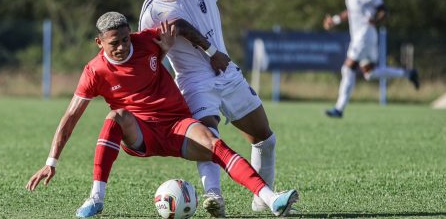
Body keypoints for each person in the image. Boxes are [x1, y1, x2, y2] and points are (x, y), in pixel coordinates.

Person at [25, 12, 298, 218]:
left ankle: (271, 199)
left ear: (131, 33)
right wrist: (52, 162)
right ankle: (96, 198)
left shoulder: (146, 42)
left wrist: (209, 51)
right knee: (116, 116)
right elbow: (70, 117)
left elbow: (179, 24)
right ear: (99, 42)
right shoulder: (94, 72)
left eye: (124, 39)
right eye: (113, 43)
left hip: (177, 124)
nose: (121, 47)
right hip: (140, 132)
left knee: (215, 144)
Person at [139, 0, 280, 217]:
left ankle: (262, 199)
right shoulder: (151, 12)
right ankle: (213, 195)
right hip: (195, 81)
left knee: (265, 139)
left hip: (227, 72)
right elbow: (156, 54)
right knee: (209, 136)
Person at [323, 0, 419, 118]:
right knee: (370, 73)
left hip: (366, 34)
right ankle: (407, 73)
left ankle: (339, 109)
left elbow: (384, 10)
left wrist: (375, 19)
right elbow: (350, 11)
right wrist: (334, 20)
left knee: (347, 68)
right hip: (358, 37)